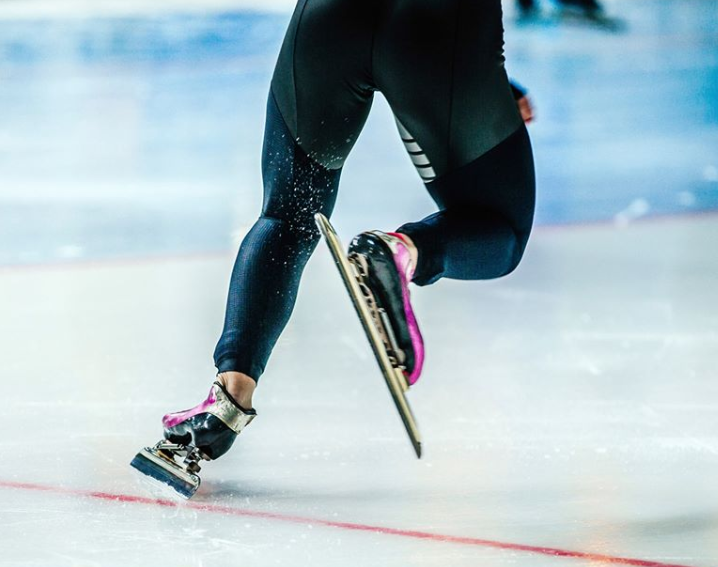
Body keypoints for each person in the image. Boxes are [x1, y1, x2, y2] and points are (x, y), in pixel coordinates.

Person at [158, 0, 536, 464]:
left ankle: (228, 400)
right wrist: (476, 73)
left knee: (286, 216)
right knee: (499, 226)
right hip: (442, 27)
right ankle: (402, 252)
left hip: (330, 19)